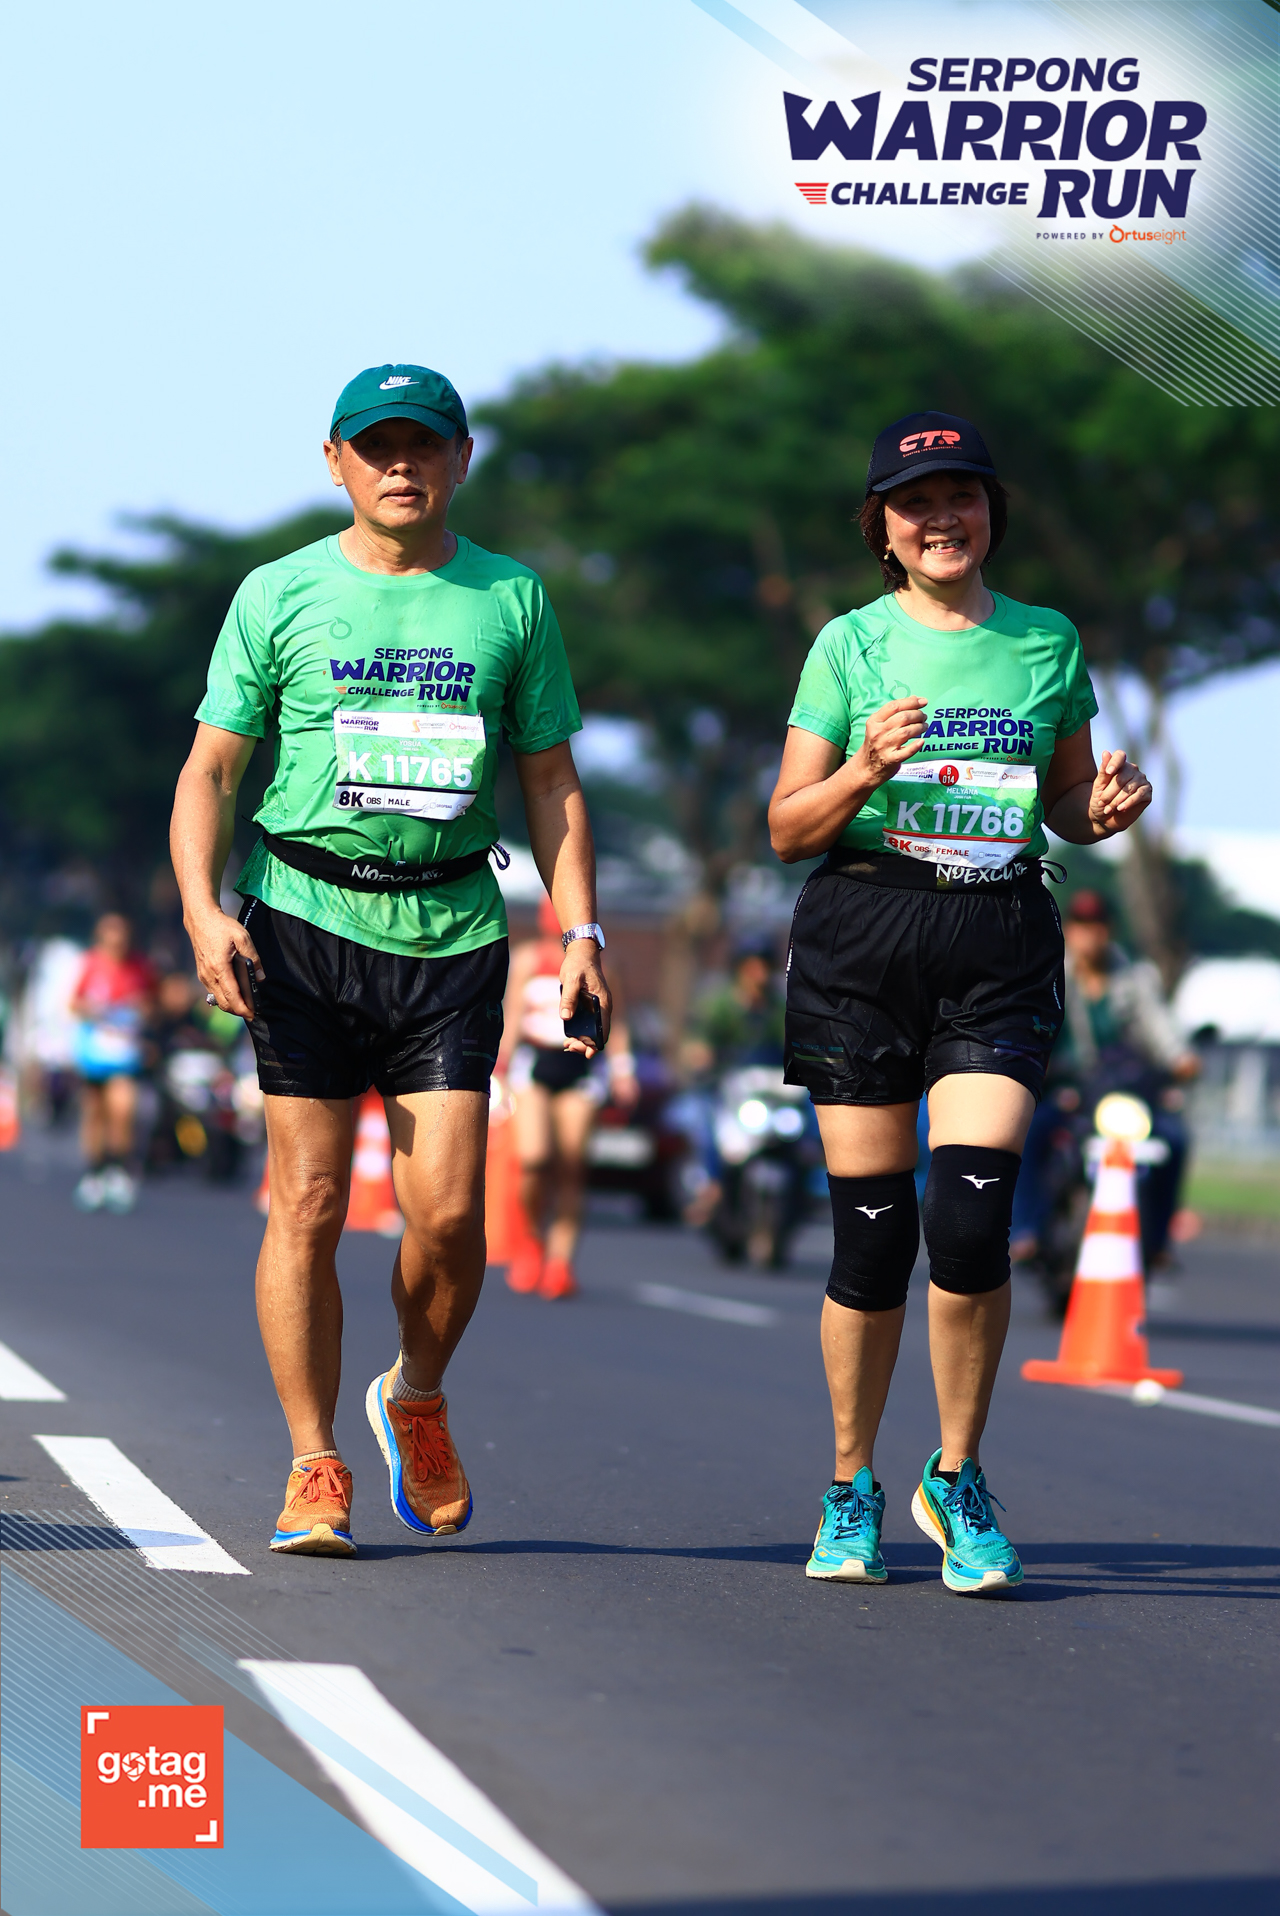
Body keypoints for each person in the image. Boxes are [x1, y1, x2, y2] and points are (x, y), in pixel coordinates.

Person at [170, 364, 612, 1557]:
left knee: (451, 1212)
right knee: (309, 1200)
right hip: (301, 921)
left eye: (423, 445)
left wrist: (580, 933)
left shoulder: (510, 595)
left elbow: (551, 780)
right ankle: (313, 1461)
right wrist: (203, 913)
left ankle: (414, 1392)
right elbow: (211, 771)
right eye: (376, 447)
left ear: (461, 459)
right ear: (336, 462)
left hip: (453, 930)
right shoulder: (279, 591)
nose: (400, 465)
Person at [768, 410, 1153, 1596]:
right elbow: (786, 827)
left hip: (996, 935)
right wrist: (862, 768)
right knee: (872, 1234)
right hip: (864, 937)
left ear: (991, 510)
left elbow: (1065, 802)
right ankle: (848, 1486)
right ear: (881, 527)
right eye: (914, 502)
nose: (941, 518)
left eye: (960, 495)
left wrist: (1104, 809)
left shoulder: (1045, 640)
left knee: (972, 1219)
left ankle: (956, 1472)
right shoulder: (847, 645)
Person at [1011, 890, 1199, 1268]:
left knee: (1174, 1140)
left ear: (1110, 930)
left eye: (1097, 925)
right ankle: (1026, 1230)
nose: (1090, 935)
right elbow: (1031, 1027)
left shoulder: (1135, 978)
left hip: (1124, 1093)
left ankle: (1158, 1241)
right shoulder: (1051, 973)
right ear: (1069, 929)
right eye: (1081, 925)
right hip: (1068, 1091)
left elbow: (1160, 1028)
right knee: (1027, 1132)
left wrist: (1181, 1059)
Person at [498, 895, 639, 1299]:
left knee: (572, 1166)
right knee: (533, 1158)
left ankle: (560, 1261)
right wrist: (499, 1065)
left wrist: (623, 1071)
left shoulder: (603, 964)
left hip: (581, 1067)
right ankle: (531, 1239)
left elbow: (618, 1022)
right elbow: (512, 1015)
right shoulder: (527, 959)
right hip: (536, 1064)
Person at [69, 912, 157, 1213]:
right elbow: (73, 1003)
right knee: (94, 1111)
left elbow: (152, 1003)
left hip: (124, 1053)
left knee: (123, 1110)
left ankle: (118, 1168)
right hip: (94, 1052)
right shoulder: (91, 963)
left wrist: (140, 1011)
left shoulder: (140, 966)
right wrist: (94, 1010)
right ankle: (94, 1171)